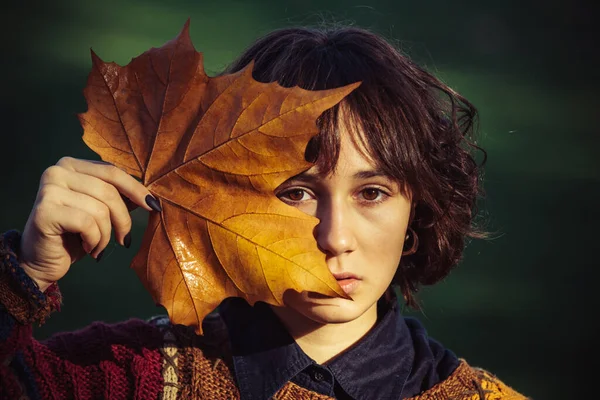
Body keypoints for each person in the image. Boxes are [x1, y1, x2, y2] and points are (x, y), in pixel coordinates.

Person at [0, 25, 528, 399]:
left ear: (418, 209)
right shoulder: (135, 375)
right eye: (296, 192)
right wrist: (25, 276)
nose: (335, 237)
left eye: (371, 193)